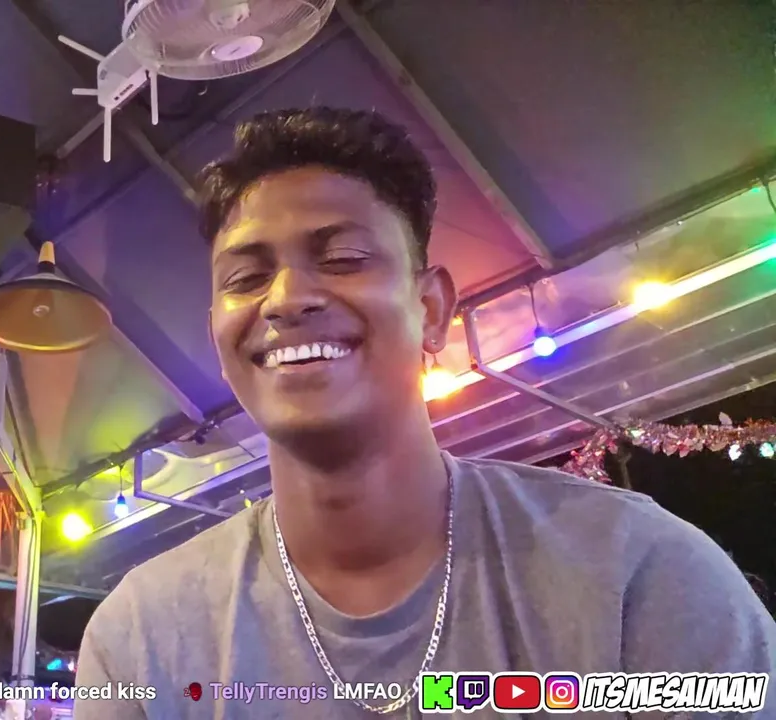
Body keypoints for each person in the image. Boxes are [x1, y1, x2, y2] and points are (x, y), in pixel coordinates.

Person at [73, 107, 776, 718]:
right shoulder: (141, 636)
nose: (285, 298)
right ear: (220, 339)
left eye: (343, 257)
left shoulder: (637, 574)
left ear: (432, 308)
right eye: (247, 278)